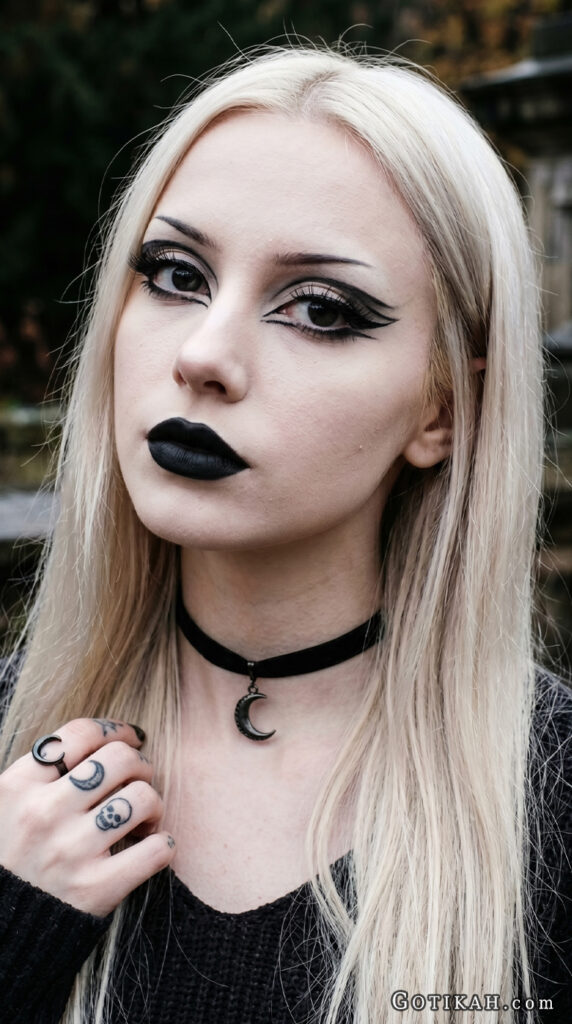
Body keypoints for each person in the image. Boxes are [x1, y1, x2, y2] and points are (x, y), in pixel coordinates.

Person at [0, 44, 570, 1024]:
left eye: (318, 309)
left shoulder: (547, 803)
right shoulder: (14, 742)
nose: (204, 354)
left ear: (443, 408)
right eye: (176, 274)